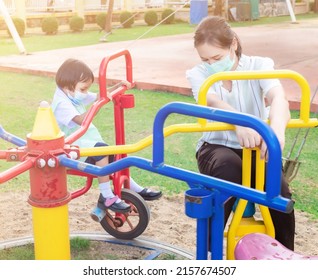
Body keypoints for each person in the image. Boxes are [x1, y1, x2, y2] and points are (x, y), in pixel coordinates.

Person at [186, 16, 295, 250]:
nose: (211, 63)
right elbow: (211, 100)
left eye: (217, 57)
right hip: (216, 147)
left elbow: (278, 98)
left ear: (233, 44)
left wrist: (275, 132)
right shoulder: (198, 73)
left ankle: (286, 254)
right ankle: (210, 249)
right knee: (229, 170)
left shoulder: (259, 65)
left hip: (255, 147)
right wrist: (240, 122)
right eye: (205, 59)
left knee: (278, 188)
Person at [51, 58, 162, 217]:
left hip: (83, 145)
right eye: (83, 89)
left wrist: (118, 87)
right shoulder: (61, 103)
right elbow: (82, 121)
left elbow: (99, 95)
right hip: (71, 152)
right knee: (102, 151)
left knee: (116, 155)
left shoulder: (73, 94)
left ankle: (133, 187)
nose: (85, 93)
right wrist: (97, 106)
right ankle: (106, 195)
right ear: (67, 86)